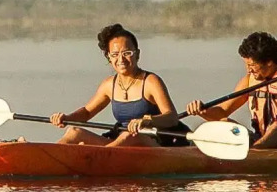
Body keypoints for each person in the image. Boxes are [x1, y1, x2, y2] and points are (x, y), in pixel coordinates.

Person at [177, 31, 277, 149]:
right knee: (224, 123)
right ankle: (248, 152)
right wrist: (201, 111)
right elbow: (222, 112)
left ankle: (253, 155)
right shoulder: (249, 80)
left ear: (269, 62)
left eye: (252, 65)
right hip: (263, 140)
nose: (248, 70)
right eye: (246, 65)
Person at [49, 24, 186, 147]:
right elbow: (87, 112)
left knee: (130, 135)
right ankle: (46, 156)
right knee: (74, 132)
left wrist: (148, 121)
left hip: (152, 142)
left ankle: (100, 157)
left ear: (137, 54)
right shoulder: (109, 85)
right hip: (120, 142)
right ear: (109, 57)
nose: (121, 59)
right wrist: (67, 118)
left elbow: (172, 118)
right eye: (115, 54)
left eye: (127, 53)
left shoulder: (151, 82)